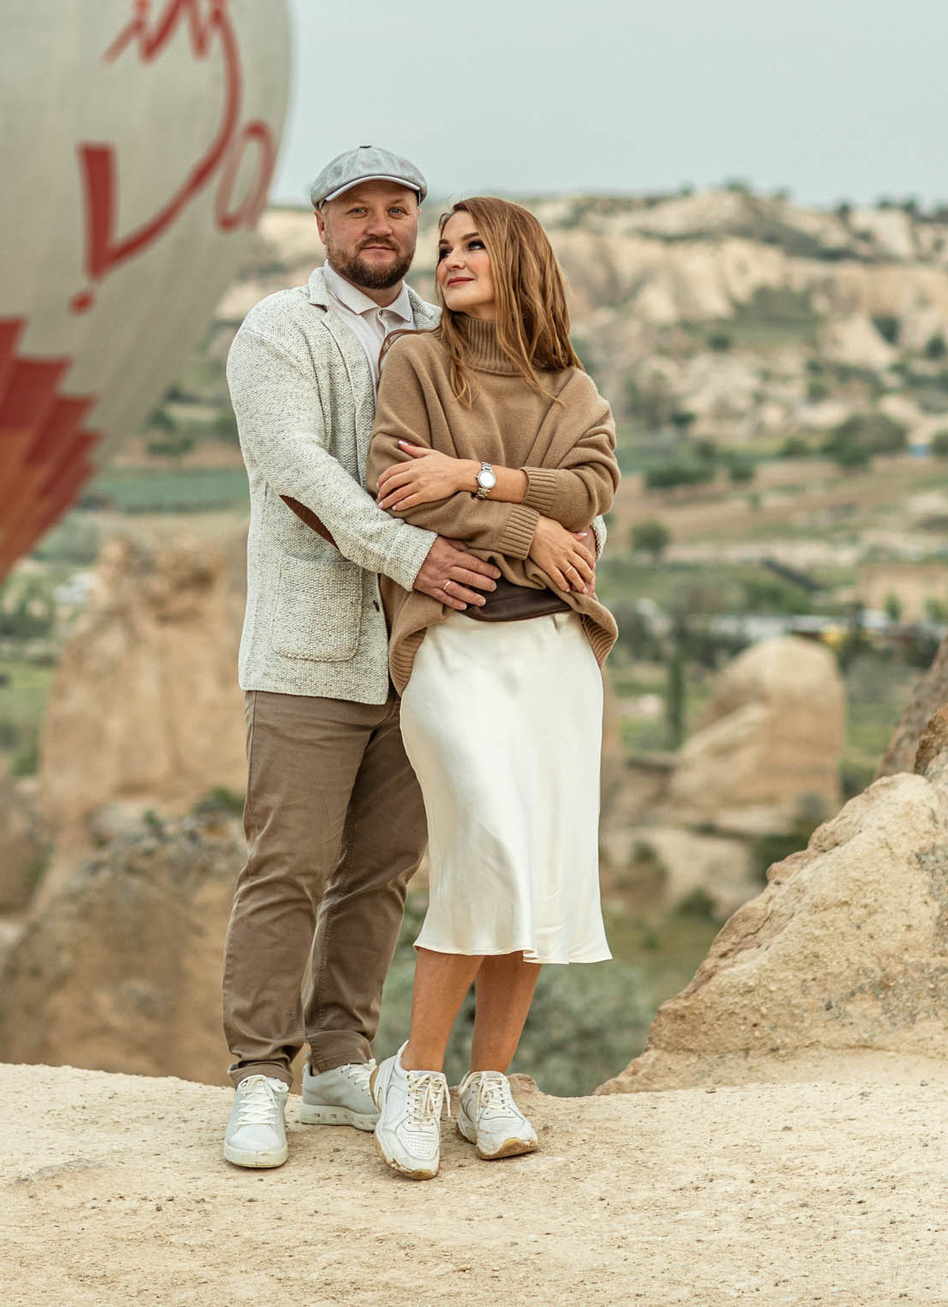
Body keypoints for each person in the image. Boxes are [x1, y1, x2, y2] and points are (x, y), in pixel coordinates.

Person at [216, 146, 528, 1171]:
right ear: (321, 226)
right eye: (359, 211)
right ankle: (262, 1077)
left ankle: (344, 1062)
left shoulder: (447, 340)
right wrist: (415, 554)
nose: (380, 225)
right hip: (307, 652)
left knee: (382, 874)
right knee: (287, 868)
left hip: (413, 657)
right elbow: (293, 469)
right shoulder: (277, 330)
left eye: (399, 209)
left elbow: (497, 461)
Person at [362, 195, 619, 1181]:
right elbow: (398, 485)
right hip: (453, 647)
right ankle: (416, 1076)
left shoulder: (569, 388)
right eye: (446, 246)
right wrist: (525, 527)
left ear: (520, 262)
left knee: (543, 865)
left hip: (553, 653)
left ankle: (492, 1082)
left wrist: (476, 481)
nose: (453, 257)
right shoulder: (416, 365)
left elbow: (587, 493)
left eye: (475, 244)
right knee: (487, 840)